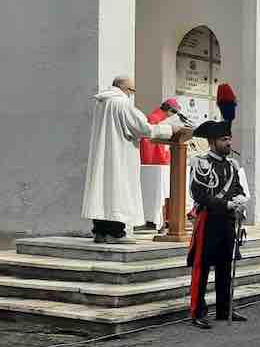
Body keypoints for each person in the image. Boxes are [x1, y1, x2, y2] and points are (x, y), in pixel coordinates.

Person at [82, 76, 184, 244]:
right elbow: (142, 128)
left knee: (104, 193)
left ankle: (100, 232)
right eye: (132, 90)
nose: (131, 94)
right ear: (124, 88)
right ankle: (115, 233)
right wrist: (169, 129)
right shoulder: (121, 103)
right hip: (119, 156)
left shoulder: (102, 102)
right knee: (117, 192)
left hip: (105, 156)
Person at [187, 121, 249, 329]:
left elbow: (238, 188)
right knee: (202, 267)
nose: (229, 143)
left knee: (225, 265)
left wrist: (240, 202)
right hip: (209, 220)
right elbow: (200, 195)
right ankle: (197, 311)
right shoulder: (200, 163)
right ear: (212, 142)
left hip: (228, 220)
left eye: (229, 139)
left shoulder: (232, 165)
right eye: (224, 140)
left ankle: (224, 309)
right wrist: (226, 203)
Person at [140, 98, 180, 230]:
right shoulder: (154, 118)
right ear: (170, 110)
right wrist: (159, 159)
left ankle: (167, 220)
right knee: (158, 192)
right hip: (155, 163)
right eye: (175, 112)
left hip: (161, 161)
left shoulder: (160, 117)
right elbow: (149, 142)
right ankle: (157, 221)